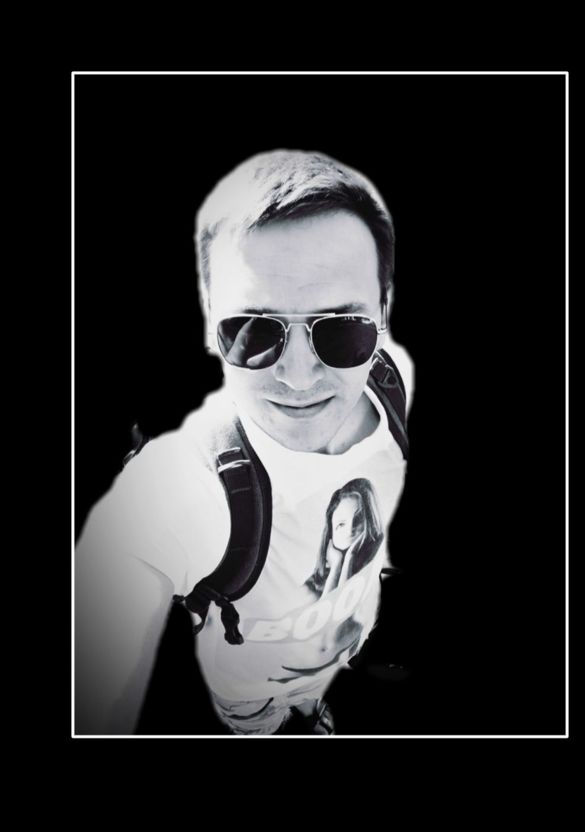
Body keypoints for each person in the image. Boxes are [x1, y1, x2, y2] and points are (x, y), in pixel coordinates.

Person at [74, 148, 414, 736]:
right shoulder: (178, 489)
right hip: (249, 697)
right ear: (211, 321)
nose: (299, 378)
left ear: (382, 313)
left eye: (343, 330)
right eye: (252, 329)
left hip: (339, 649)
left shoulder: (392, 382)